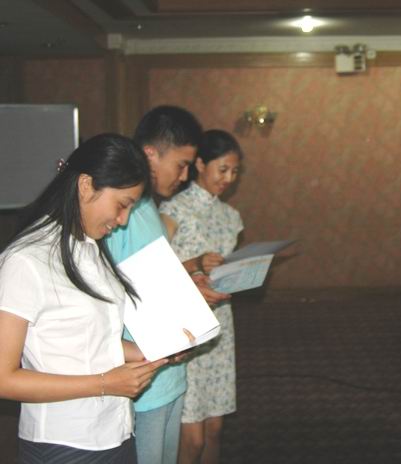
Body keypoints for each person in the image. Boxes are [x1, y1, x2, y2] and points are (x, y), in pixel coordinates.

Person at [0, 134, 168, 463]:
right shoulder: (25, 261)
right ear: (86, 185)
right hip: (62, 442)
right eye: (122, 205)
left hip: (116, 430)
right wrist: (104, 384)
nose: (123, 220)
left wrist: (153, 350)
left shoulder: (91, 247)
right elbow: (4, 378)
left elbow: (91, 339)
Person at [105, 107, 229, 464]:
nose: (185, 176)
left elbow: (150, 282)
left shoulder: (146, 208)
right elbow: (108, 295)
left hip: (172, 370)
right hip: (144, 377)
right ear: (150, 154)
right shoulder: (118, 214)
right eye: (181, 164)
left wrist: (189, 285)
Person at [159, 129, 243, 464]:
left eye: (235, 172)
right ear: (200, 164)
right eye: (222, 169)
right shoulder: (173, 209)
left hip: (220, 325)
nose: (229, 179)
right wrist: (195, 264)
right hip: (187, 325)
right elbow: (152, 272)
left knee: (215, 430)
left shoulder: (231, 217)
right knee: (192, 439)